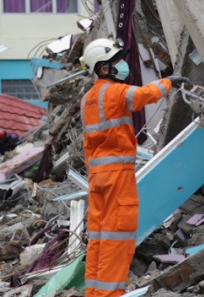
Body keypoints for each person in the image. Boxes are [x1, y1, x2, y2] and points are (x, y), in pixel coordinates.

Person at [80, 38, 190, 297]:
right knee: (117, 239)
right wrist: (169, 82)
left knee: (98, 239)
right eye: (115, 62)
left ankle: (95, 293)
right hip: (118, 176)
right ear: (103, 68)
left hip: (97, 178)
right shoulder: (114, 92)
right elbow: (143, 95)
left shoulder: (88, 100)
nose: (121, 66)